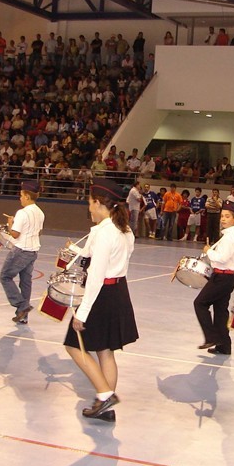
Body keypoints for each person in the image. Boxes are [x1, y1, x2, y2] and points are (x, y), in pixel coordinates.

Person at [65, 178, 139, 422]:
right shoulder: (122, 230)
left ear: (98, 203)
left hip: (101, 295)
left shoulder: (105, 233)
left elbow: (96, 275)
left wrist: (82, 313)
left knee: (74, 346)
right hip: (118, 292)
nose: (88, 208)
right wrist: (76, 252)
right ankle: (106, 405)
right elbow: (97, 257)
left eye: (89, 202)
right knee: (106, 351)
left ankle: (105, 394)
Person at [193, 200, 234, 356]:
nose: (223, 219)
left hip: (223, 278)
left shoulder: (231, 237)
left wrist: (208, 251)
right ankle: (224, 345)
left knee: (200, 303)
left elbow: (222, 257)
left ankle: (211, 336)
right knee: (221, 311)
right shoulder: (230, 234)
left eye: (227, 216)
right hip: (226, 277)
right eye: (222, 216)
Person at [1, 180, 45, 325]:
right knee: (25, 282)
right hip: (33, 251)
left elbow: (14, 234)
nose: (19, 198)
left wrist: (10, 224)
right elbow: (39, 232)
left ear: (27, 196)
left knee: (5, 276)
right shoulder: (40, 213)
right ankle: (23, 315)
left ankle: (22, 306)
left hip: (21, 250)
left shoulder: (22, 213)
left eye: (21, 195)